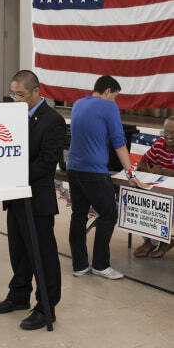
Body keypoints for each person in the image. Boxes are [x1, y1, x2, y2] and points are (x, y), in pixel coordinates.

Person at [0, 70, 66, 330]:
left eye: (21, 95)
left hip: (37, 199)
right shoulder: (12, 117)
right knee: (18, 250)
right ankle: (19, 293)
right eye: (13, 94)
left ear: (37, 91)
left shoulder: (53, 121)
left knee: (42, 255)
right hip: (15, 197)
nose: (16, 99)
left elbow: (46, 164)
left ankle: (46, 307)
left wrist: (12, 173)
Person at [67, 75, 147, 280]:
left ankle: (80, 265)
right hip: (94, 172)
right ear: (108, 91)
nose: (115, 102)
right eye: (115, 97)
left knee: (78, 215)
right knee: (109, 214)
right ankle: (101, 265)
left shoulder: (78, 104)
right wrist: (131, 174)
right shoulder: (108, 107)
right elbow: (119, 143)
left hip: (73, 169)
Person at [133, 116, 174, 258]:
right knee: (138, 202)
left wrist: (163, 172)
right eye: (166, 132)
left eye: (173, 133)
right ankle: (150, 240)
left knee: (163, 206)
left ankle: (162, 241)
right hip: (158, 189)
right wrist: (145, 169)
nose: (169, 136)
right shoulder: (160, 143)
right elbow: (143, 161)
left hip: (171, 194)